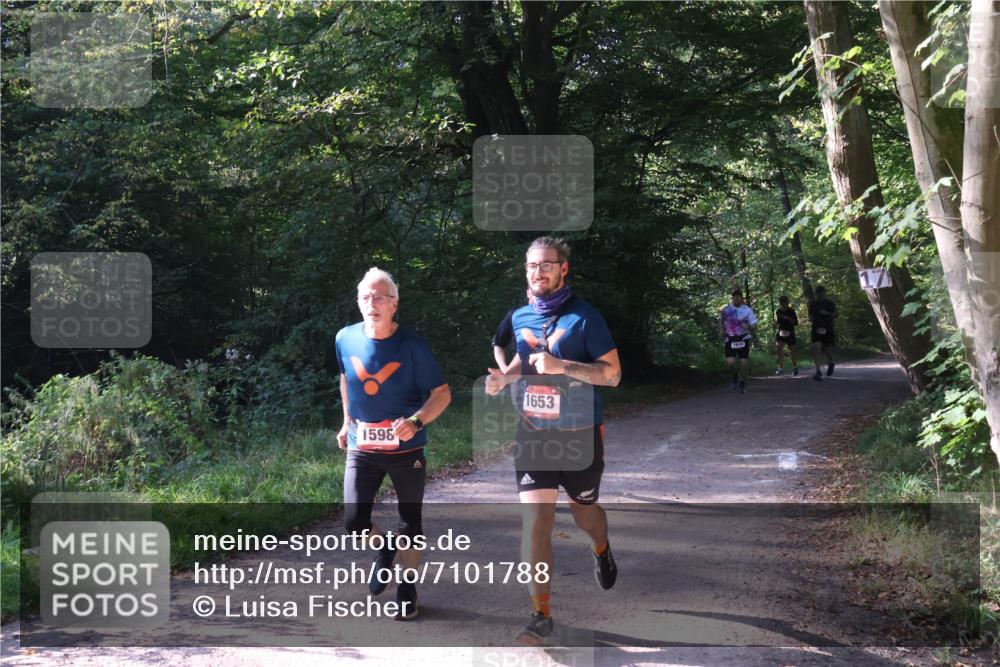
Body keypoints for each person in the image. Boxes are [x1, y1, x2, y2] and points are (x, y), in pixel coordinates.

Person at [485, 237, 621, 645]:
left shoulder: (585, 318)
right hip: (534, 433)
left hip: (579, 435)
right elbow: (519, 364)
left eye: (546, 264)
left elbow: (612, 374)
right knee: (536, 521)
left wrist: (563, 365)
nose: (538, 272)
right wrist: (503, 378)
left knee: (585, 513)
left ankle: (601, 547)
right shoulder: (522, 316)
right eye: (531, 266)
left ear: (564, 269)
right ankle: (540, 613)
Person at [334, 267, 451, 620]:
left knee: (410, 524)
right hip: (362, 445)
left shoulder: (412, 345)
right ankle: (385, 548)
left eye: (380, 297)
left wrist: (416, 421)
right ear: (358, 302)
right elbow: (345, 379)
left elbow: (442, 394)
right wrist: (345, 421)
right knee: (354, 522)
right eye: (366, 297)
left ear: (394, 304)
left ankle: (407, 587)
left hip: (406, 451)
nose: (373, 303)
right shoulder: (344, 338)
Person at [719, 290, 758, 394]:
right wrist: (721, 330)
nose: (736, 298)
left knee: (744, 363)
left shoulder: (747, 310)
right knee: (730, 363)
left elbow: (754, 325)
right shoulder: (727, 310)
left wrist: (749, 326)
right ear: (732, 298)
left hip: (743, 338)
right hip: (730, 338)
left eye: (738, 296)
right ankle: (735, 376)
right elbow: (721, 320)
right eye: (734, 297)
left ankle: (742, 383)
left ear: (742, 298)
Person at [492, 290, 533, 373]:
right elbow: (498, 343)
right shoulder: (515, 315)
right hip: (519, 378)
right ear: (528, 292)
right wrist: (505, 369)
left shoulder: (559, 316)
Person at [808, 286, 838, 381]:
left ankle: (831, 362)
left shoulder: (829, 304)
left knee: (826, 349)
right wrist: (810, 318)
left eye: (821, 292)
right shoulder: (813, 304)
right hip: (816, 328)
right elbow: (810, 315)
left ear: (824, 293)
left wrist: (828, 313)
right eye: (817, 292)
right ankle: (818, 371)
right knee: (816, 348)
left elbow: (836, 315)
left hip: (827, 328)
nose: (819, 294)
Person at [774, 295, 799, 376]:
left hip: (790, 332)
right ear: (781, 303)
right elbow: (778, 321)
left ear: (787, 302)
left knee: (793, 350)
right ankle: (780, 368)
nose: (785, 303)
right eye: (783, 302)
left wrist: (788, 318)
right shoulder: (778, 311)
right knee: (778, 349)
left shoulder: (792, 311)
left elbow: (795, 323)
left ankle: (795, 367)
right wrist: (775, 323)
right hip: (781, 332)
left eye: (786, 301)